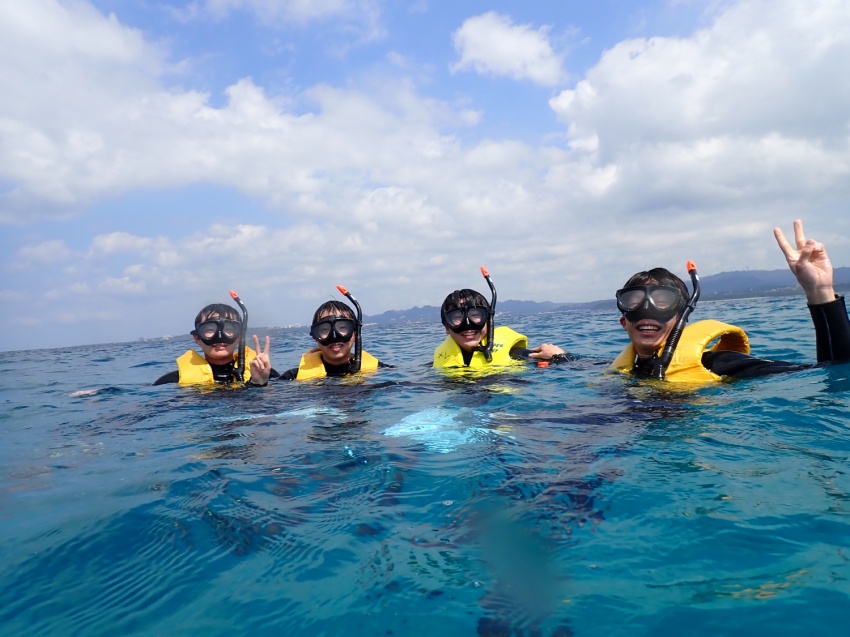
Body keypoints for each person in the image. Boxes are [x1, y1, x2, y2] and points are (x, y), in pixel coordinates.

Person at [610, 219, 850, 381]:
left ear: (680, 318)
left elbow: (837, 369)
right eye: (634, 301)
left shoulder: (716, 363)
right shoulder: (623, 368)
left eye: (663, 300)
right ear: (624, 323)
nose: (647, 309)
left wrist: (820, 292)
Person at [433, 269, 570, 369]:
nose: (468, 324)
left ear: (488, 320)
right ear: (446, 327)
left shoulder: (513, 353)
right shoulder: (444, 358)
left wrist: (560, 357)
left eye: (475, 315)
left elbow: (579, 366)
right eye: (457, 318)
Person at [153, 302, 274, 386]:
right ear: (197, 337)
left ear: (239, 337)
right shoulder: (172, 381)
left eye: (229, 329)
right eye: (210, 330)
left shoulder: (266, 374)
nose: (220, 337)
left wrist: (259, 384)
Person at [278, 299, 390, 380]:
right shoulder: (293, 377)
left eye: (342, 328)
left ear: (355, 334)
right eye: (325, 330)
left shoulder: (381, 370)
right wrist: (261, 382)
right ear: (316, 338)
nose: (334, 336)